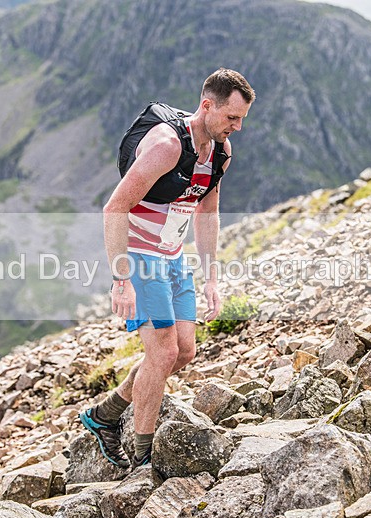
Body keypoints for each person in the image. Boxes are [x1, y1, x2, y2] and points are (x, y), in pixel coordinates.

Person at [80, 68, 255, 467]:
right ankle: (143, 459)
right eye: (232, 117)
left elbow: (207, 214)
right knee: (161, 353)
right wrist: (121, 278)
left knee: (184, 352)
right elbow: (115, 207)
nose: (238, 127)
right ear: (207, 105)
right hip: (141, 257)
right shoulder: (165, 146)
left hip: (174, 257)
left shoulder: (221, 155)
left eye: (242, 118)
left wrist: (211, 278)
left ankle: (104, 415)